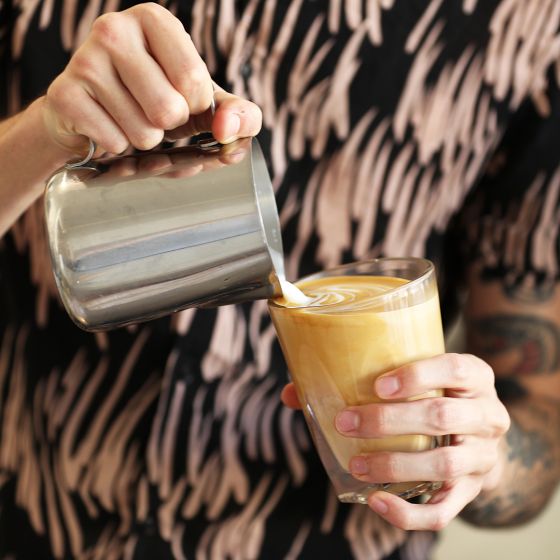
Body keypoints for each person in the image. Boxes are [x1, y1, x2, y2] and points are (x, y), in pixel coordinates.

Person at [0, 1, 559, 558]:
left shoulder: (528, 23)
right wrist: (44, 131)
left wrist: (485, 458)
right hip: (35, 517)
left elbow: (538, 407)